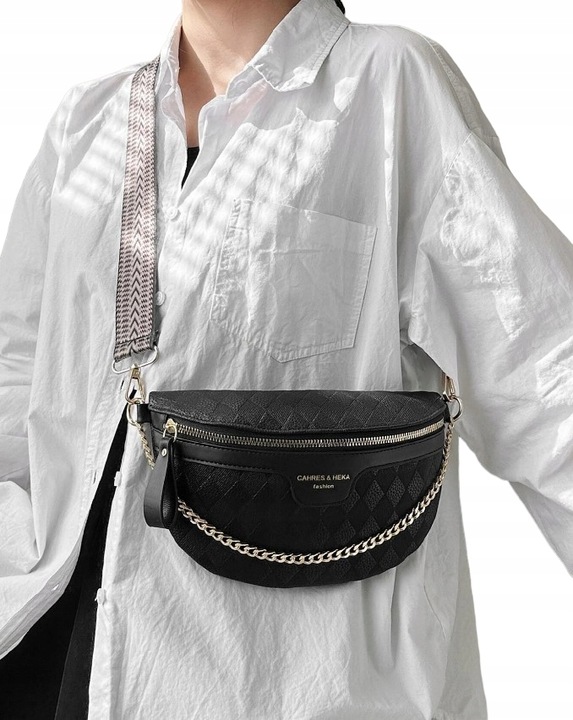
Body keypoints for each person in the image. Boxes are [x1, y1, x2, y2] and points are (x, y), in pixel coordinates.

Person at [0, 0, 571, 718]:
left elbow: (547, 380)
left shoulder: (388, 85)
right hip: (53, 646)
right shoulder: (87, 122)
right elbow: (16, 389)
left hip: (285, 679)